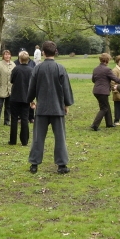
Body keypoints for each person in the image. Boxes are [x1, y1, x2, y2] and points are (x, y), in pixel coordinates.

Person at [27, 40, 74, 174]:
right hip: (57, 108)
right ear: (56, 52)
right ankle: (62, 165)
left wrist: (30, 100)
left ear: (43, 52)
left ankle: (34, 164)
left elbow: (32, 88)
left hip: (41, 108)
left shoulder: (37, 68)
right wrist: (66, 104)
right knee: (60, 137)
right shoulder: (60, 68)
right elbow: (66, 88)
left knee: (38, 138)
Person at [90, 53, 120, 131]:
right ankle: (95, 125)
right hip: (103, 92)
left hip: (96, 91)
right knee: (104, 108)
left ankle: (109, 123)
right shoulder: (107, 70)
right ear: (107, 60)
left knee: (106, 106)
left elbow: (93, 80)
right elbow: (116, 79)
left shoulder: (96, 69)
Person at [9, 51, 33, 146]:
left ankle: (13, 140)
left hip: (15, 96)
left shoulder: (15, 69)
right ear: (28, 60)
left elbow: (11, 80)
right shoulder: (31, 70)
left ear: (19, 59)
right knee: (24, 118)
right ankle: (24, 140)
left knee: (14, 118)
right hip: (26, 97)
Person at [0, 50, 15, 128]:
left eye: (8, 54)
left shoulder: (13, 64)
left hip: (10, 89)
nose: (7, 56)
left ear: (10, 55)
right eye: (5, 54)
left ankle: (7, 121)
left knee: (8, 106)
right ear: (3, 56)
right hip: (1, 88)